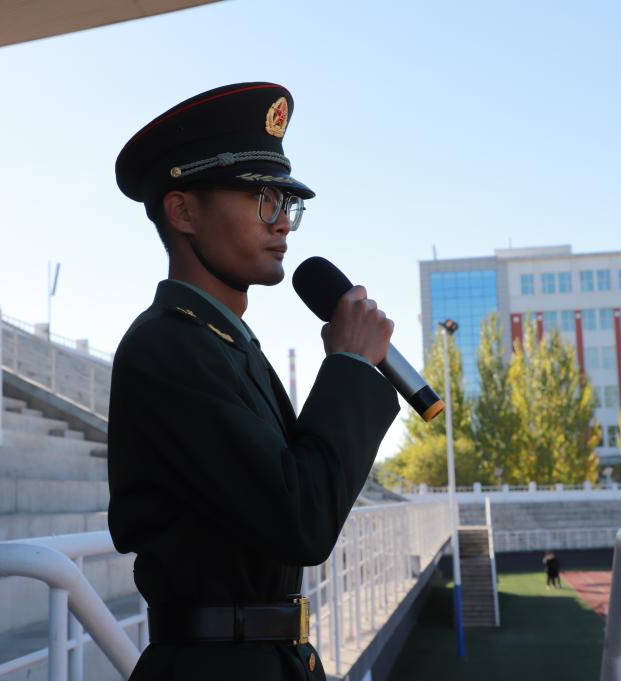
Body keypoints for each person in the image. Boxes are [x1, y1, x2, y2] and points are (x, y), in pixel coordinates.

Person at [108, 82, 400, 680]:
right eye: (261, 199)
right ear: (183, 212)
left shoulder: (226, 344)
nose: (283, 223)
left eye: (286, 203)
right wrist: (348, 366)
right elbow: (302, 518)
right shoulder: (168, 346)